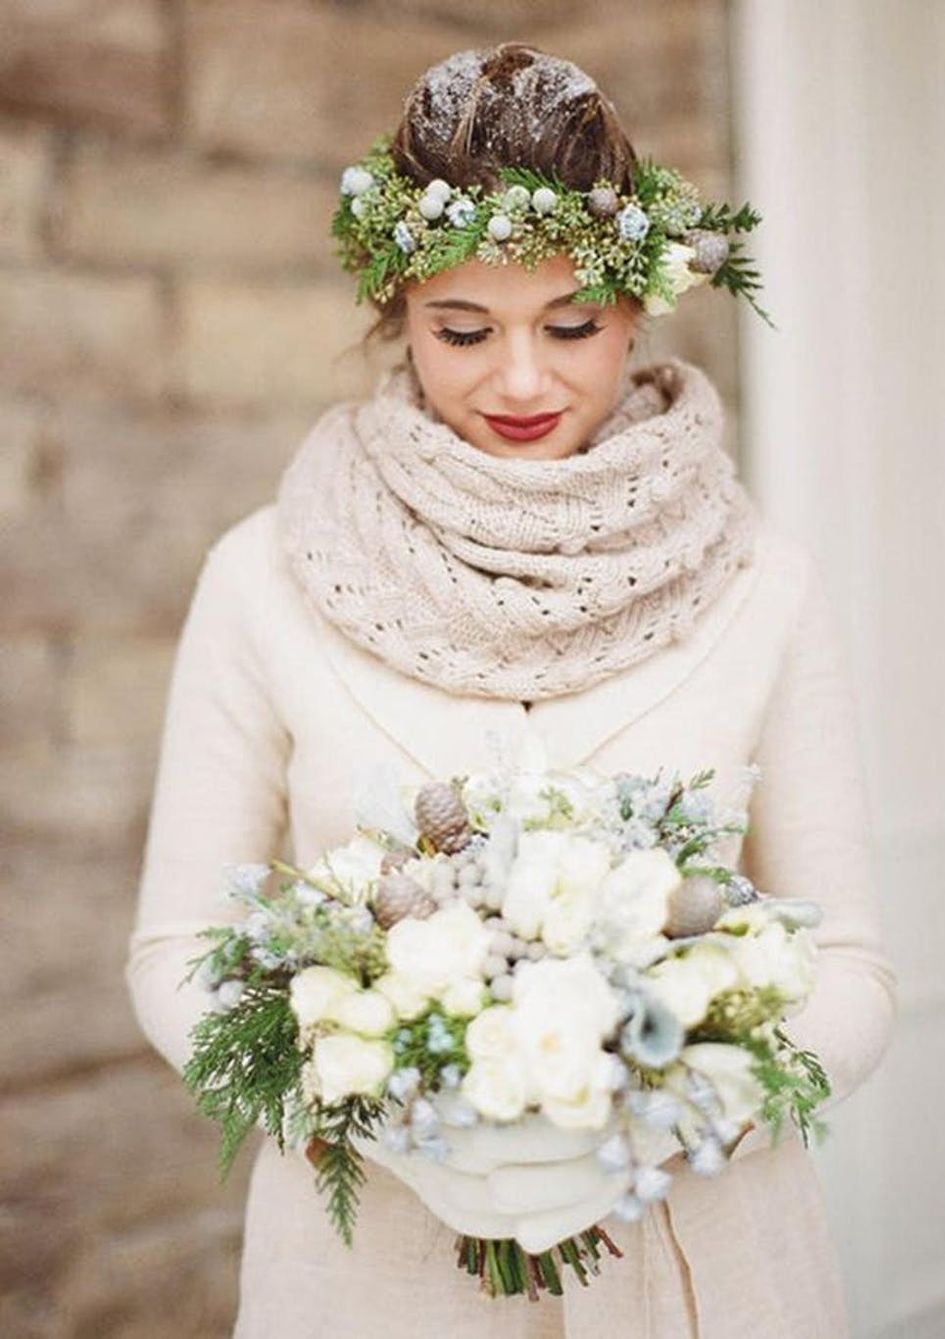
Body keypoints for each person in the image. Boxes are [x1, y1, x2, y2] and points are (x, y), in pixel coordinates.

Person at [125, 40, 897, 1338]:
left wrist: (677, 1108)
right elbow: (177, 952)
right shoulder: (264, 576)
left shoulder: (767, 584)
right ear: (398, 314)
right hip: (370, 1282)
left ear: (638, 310)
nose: (523, 380)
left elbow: (855, 970)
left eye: (572, 326)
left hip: (702, 1274)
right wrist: (380, 1113)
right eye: (464, 330)